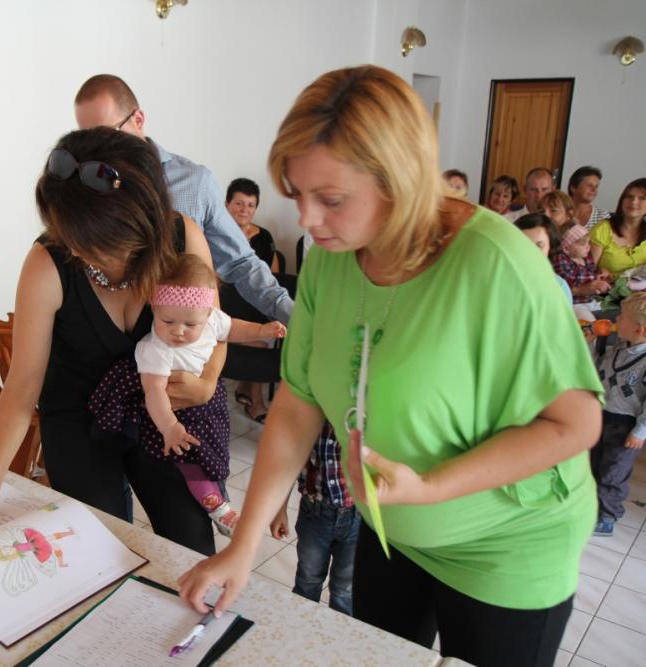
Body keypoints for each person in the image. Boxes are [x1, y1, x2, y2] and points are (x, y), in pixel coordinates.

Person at [178, 65, 602, 667]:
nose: (307, 219)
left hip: (506, 545)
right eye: (297, 194)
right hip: (392, 527)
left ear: (399, 180)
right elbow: (298, 401)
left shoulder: (497, 264)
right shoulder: (333, 255)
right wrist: (242, 546)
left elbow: (576, 424)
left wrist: (431, 488)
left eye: (331, 199)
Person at [0, 128, 224, 556]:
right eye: (68, 234)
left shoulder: (182, 240)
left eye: (95, 242)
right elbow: (22, 385)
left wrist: (207, 383)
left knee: (192, 544)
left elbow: (216, 329)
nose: (78, 251)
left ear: (141, 225)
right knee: (97, 548)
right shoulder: (48, 262)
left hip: (158, 412)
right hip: (77, 418)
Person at [90, 253, 286, 536]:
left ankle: (219, 496)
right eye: (167, 321)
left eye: (190, 325)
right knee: (192, 461)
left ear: (207, 314)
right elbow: (154, 392)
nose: (178, 332)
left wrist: (262, 330)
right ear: (154, 307)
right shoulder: (155, 349)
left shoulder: (211, 320)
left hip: (210, 407)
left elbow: (233, 328)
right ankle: (217, 507)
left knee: (213, 454)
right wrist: (169, 427)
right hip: (176, 417)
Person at [74, 74, 293, 325]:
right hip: (107, 332)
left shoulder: (194, 182)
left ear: (138, 119)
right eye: (85, 139)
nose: (96, 150)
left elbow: (241, 263)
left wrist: (296, 318)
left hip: (180, 336)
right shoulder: (86, 187)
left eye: (106, 135)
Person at [269, 422, 359, 615]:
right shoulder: (309, 415)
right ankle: (298, 625)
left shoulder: (365, 418)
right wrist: (280, 509)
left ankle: (337, 631)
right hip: (314, 515)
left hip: (357, 517)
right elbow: (289, 462)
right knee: (307, 580)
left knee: (345, 590)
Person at [590, 291, 646, 537]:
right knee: (595, 463)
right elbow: (595, 368)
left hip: (625, 425)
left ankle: (607, 515)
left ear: (638, 329)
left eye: (622, 317)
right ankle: (592, 506)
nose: (616, 320)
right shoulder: (619, 347)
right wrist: (594, 342)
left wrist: (641, 430)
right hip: (603, 415)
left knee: (613, 472)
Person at [224, 177, 280, 420]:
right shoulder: (215, 233)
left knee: (265, 330)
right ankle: (255, 400)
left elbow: (274, 276)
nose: (244, 209)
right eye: (238, 203)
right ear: (226, 204)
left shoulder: (264, 237)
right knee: (259, 340)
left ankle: (246, 388)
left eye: (250, 205)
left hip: (256, 303)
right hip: (225, 303)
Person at [590, 178, 646, 277]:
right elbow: (586, 271)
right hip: (604, 286)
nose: (633, 202)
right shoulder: (602, 228)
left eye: (642, 198)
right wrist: (599, 272)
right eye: (629, 197)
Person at [515, 212, 572, 304]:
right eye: (524, 244)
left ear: (550, 247)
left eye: (539, 245)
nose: (531, 252)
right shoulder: (498, 278)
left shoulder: (559, 287)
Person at [553, 221, 610, 306]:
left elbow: (591, 273)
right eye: (583, 244)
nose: (588, 247)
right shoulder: (560, 259)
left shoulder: (586, 258)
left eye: (588, 242)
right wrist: (595, 279)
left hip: (590, 300)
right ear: (566, 248)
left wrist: (600, 275)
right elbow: (572, 280)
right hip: (573, 303)